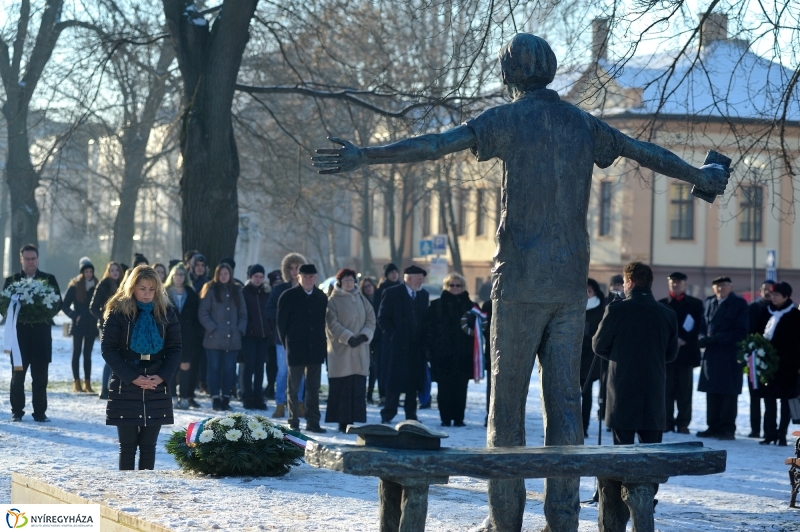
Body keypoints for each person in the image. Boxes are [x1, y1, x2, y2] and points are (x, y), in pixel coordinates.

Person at [312, 32, 728, 531]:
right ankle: (563, 519)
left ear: (509, 73)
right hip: (570, 283)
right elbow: (646, 153)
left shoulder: (506, 119)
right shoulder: (583, 124)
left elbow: (436, 145)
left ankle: (504, 520)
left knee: (505, 409)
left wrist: (366, 156)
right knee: (565, 407)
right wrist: (700, 177)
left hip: (519, 283)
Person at [101, 266, 181, 470]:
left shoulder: (166, 312)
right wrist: (132, 377)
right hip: (126, 384)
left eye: (151, 289)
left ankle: (146, 492)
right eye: (142, 288)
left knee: (149, 446)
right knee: (127, 446)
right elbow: (108, 349)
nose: (147, 294)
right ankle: (127, 489)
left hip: (156, 384)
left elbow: (175, 348)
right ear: (132, 287)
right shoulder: (119, 312)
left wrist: (162, 376)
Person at [593, 262, 679, 445]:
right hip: (653, 391)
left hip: (622, 390)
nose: (623, 285)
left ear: (630, 282)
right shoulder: (667, 314)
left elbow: (599, 346)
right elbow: (671, 354)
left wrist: (621, 356)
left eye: (624, 282)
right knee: (652, 456)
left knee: (622, 456)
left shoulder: (616, 310)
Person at [6, 244, 62, 422]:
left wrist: (40, 313)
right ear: (21, 259)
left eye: (33, 258)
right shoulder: (12, 281)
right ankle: (17, 411)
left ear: (37, 259)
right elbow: (5, 306)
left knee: (40, 378)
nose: (30, 262)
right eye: (27, 259)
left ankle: (40, 412)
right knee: (18, 377)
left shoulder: (49, 279)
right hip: (19, 338)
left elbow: (57, 304)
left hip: (41, 337)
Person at [277, 263, 328, 433]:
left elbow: (324, 322)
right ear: (298, 277)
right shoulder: (288, 296)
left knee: (313, 388)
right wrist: (286, 344)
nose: (308, 280)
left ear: (316, 278)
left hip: (315, 348)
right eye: (305, 276)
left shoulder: (321, 297)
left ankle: (313, 421)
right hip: (296, 347)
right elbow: (281, 324)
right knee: (293, 387)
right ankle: (293, 420)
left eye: (311, 276)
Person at [697, 276, 749, 440]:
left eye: (724, 286)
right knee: (711, 392)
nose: (721, 289)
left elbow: (741, 331)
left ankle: (727, 428)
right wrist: (701, 337)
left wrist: (719, 338)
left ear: (731, 287)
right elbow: (702, 326)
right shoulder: (709, 302)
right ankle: (712, 426)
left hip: (729, 355)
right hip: (711, 354)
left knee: (728, 393)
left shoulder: (739, 304)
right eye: (718, 286)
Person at [377, 265, 430, 424]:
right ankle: (388, 413)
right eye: (418, 279)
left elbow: (424, 319)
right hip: (397, 348)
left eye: (422, 279)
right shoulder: (392, 293)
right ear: (408, 278)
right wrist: (393, 335)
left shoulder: (423, 295)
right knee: (394, 382)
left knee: (413, 383)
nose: (421, 282)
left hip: (415, 348)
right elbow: (382, 318)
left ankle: (411, 415)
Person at [325, 268, 376, 432]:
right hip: (341, 351)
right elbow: (331, 324)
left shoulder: (361, 299)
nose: (349, 283)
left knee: (357, 385)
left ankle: (354, 418)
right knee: (343, 387)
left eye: (351, 280)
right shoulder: (332, 301)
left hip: (360, 349)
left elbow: (371, 319)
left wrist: (364, 335)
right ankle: (342, 421)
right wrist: (347, 337)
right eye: (345, 280)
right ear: (340, 282)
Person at [424, 272, 476, 427]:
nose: (454, 288)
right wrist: (430, 349)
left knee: (461, 389)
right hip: (442, 354)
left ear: (463, 287)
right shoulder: (436, 306)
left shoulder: (471, 307)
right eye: (451, 285)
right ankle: (445, 419)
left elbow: (479, 330)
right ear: (446, 286)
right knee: (444, 389)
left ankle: (459, 418)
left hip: (464, 354)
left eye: (458, 285)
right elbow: (428, 329)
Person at [754, 282, 800, 446]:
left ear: (786, 297)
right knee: (769, 399)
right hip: (767, 363)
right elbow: (757, 334)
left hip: (789, 364)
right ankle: (770, 433)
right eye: (772, 294)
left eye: (776, 295)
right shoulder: (765, 311)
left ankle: (782, 434)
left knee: (786, 400)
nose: (772, 297)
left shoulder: (795, 315)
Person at [658, 272, 704, 434]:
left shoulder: (695, 304)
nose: (675, 285)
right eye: (672, 282)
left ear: (685, 284)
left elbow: (699, 326)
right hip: (668, 355)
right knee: (666, 390)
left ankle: (683, 422)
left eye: (678, 282)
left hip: (686, 353)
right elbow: (660, 328)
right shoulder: (662, 304)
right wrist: (672, 341)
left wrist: (685, 339)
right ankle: (667, 421)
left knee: (685, 392)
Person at [198, 263, 247, 411]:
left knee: (229, 369)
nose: (224, 276)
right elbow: (203, 313)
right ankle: (215, 397)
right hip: (214, 338)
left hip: (232, 339)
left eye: (226, 274)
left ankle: (226, 396)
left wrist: (239, 330)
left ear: (230, 275)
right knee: (213, 368)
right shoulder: (211, 291)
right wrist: (212, 329)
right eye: (221, 274)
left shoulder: (237, 291)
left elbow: (243, 314)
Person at [265, 253, 307, 418]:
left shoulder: (307, 289)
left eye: (297, 267)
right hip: (282, 337)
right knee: (282, 372)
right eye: (291, 267)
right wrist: (286, 314)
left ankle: (299, 403)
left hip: (302, 338)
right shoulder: (279, 289)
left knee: (300, 372)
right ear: (286, 269)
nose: (294, 270)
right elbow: (268, 311)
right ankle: (280, 404)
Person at [164, 263, 201, 410]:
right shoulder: (164, 293)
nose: (179, 277)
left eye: (181, 274)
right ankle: (172, 396)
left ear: (185, 277)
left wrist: (195, 333)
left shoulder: (191, 293)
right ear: (172, 276)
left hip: (188, 335)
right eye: (176, 274)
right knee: (172, 367)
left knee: (186, 366)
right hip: (170, 335)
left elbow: (196, 316)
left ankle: (184, 397)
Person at [62, 259, 100, 393]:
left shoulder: (97, 285)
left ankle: (87, 383)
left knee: (88, 355)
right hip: (78, 324)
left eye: (91, 271)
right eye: (86, 271)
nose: (89, 274)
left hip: (91, 324)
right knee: (76, 353)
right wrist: (75, 315)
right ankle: (76, 382)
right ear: (82, 272)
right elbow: (64, 305)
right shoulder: (75, 286)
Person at [90, 261, 123, 399]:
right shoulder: (103, 284)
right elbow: (93, 307)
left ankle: (115, 387)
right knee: (110, 358)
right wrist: (105, 318)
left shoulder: (124, 285)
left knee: (120, 357)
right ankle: (104, 389)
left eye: (117, 270)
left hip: (121, 325)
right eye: (112, 270)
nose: (114, 272)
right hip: (106, 326)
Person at [241, 264, 271, 410]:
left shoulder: (266, 292)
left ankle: (258, 396)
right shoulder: (244, 292)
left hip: (264, 335)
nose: (258, 279)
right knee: (249, 367)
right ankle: (248, 396)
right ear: (250, 277)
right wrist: (248, 328)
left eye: (261, 276)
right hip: (249, 336)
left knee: (260, 367)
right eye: (255, 276)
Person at [747, 280, 775, 438]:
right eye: (765, 289)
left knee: (769, 396)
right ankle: (755, 428)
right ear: (760, 291)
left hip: (771, 358)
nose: (767, 293)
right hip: (754, 356)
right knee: (754, 395)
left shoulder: (776, 310)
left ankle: (769, 430)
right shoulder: (753, 307)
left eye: (771, 290)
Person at [373, 263, 401, 407]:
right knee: (383, 366)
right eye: (391, 272)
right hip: (383, 335)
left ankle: (395, 394)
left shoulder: (403, 289)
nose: (394, 274)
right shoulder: (381, 291)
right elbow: (378, 313)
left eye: (396, 272)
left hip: (400, 335)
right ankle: (383, 394)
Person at [580, 279, 605, 437]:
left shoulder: (600, 309)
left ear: (595, 292)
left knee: (586, 393)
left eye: (589, 291)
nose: (586, 295)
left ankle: (584, 427)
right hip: (572, 357)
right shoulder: (574, 307)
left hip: (590, 357)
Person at [263, 269, 283, 402]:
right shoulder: (269, 295)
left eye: (280, 282)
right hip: (269, 334)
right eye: (275, 282)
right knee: (271, 364)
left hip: (280, 333)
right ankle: (270, 386)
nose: (278, 284)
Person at [359, 277, 380, 404]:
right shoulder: (362, 301)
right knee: (364, 367)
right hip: (365, 337)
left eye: (370, 285)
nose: (368, 288)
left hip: (377, 338)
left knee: (375, 368)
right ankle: (363, 394)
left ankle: (370, 394)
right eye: (365, 287)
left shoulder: (379, 299)